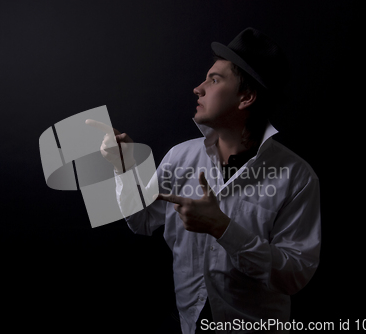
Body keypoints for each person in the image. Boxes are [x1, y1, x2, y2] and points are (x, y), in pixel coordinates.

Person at [87, 27, 321, 334]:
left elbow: (294, 275)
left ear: (246, 97)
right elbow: (142, 220)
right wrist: (124, 167)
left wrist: (222, 228)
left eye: (214, 80)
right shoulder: (179, 157)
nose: (198, 88)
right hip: (189, 324)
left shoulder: (297, 177)